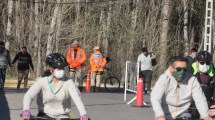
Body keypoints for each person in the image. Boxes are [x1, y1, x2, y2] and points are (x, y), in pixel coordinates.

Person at [22, 53, 89, 120]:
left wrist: (83, 113)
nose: (61, 71)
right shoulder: (42, 81)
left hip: (63, 116)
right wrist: (26, 109)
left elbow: (77, 98)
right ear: (51, 69)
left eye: (62, 68)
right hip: (44, 116)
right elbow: (29, 95)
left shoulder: (68, 82)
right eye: (58, 68)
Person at [151, 56, 212, 120]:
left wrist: (205, 115)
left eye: (184, 69)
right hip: (165, 115)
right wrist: (159, 114)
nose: (182, 72)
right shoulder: (164, 78)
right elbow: (155, 98)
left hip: (184, 115)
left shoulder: (192, 80)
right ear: (172, 68)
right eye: (179, 69)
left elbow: (200, 99)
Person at [190, 51, 215, 118]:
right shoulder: (189, 73)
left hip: (209, 106)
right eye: (202, 63)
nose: (205, 65)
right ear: (197, 62)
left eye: (207, 63)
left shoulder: (213, 74)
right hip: (192, 106)